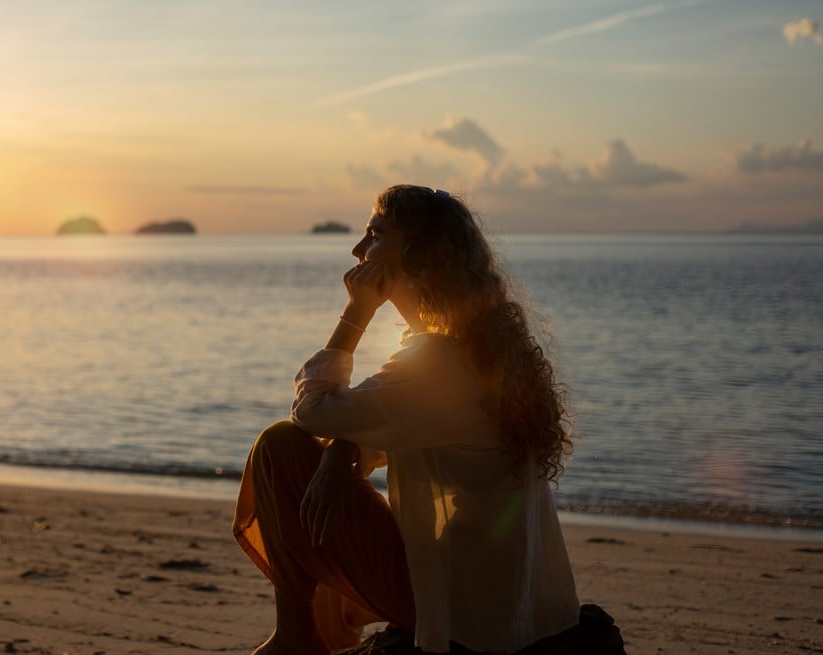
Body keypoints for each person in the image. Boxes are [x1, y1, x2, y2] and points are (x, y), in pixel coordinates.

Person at [234, 185, 605, 655]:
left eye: (374, 234)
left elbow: (312, 411)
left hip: (461, 608)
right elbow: (405, 429)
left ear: (417, 253)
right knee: (315, 462)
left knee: (280, 447)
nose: (357, 249)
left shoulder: (437, 364)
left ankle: (295, 640)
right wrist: (345, 447)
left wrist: (357, 312)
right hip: (505, 600)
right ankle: (309, 633)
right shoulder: (477, 348)